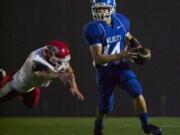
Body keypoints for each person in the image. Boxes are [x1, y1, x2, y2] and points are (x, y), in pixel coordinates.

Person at [83, 0, 162, 135]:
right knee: (106, 107)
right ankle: (98, 125)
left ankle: (146, 125)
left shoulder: (121, 20)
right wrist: (122, 54)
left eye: (103, 8)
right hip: (104, 71)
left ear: (112, 8)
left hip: (120, 67)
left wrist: (137, 45)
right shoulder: (93, 28)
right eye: (97, 9)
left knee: (137, 92)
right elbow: (98, 58)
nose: (100, 11)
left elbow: (127, 34)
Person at [0, 40, 84, 108]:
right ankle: (3, 79)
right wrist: (59, 75)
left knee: (31, 104)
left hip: (31, 87)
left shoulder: (50, 53)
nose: (62, 64)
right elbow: (43, 73)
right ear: (50, 57)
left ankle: (16, 94)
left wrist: (74, 86)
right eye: (59, 61)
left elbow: (68, 69)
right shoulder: (36, 59)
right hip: (14, 84)